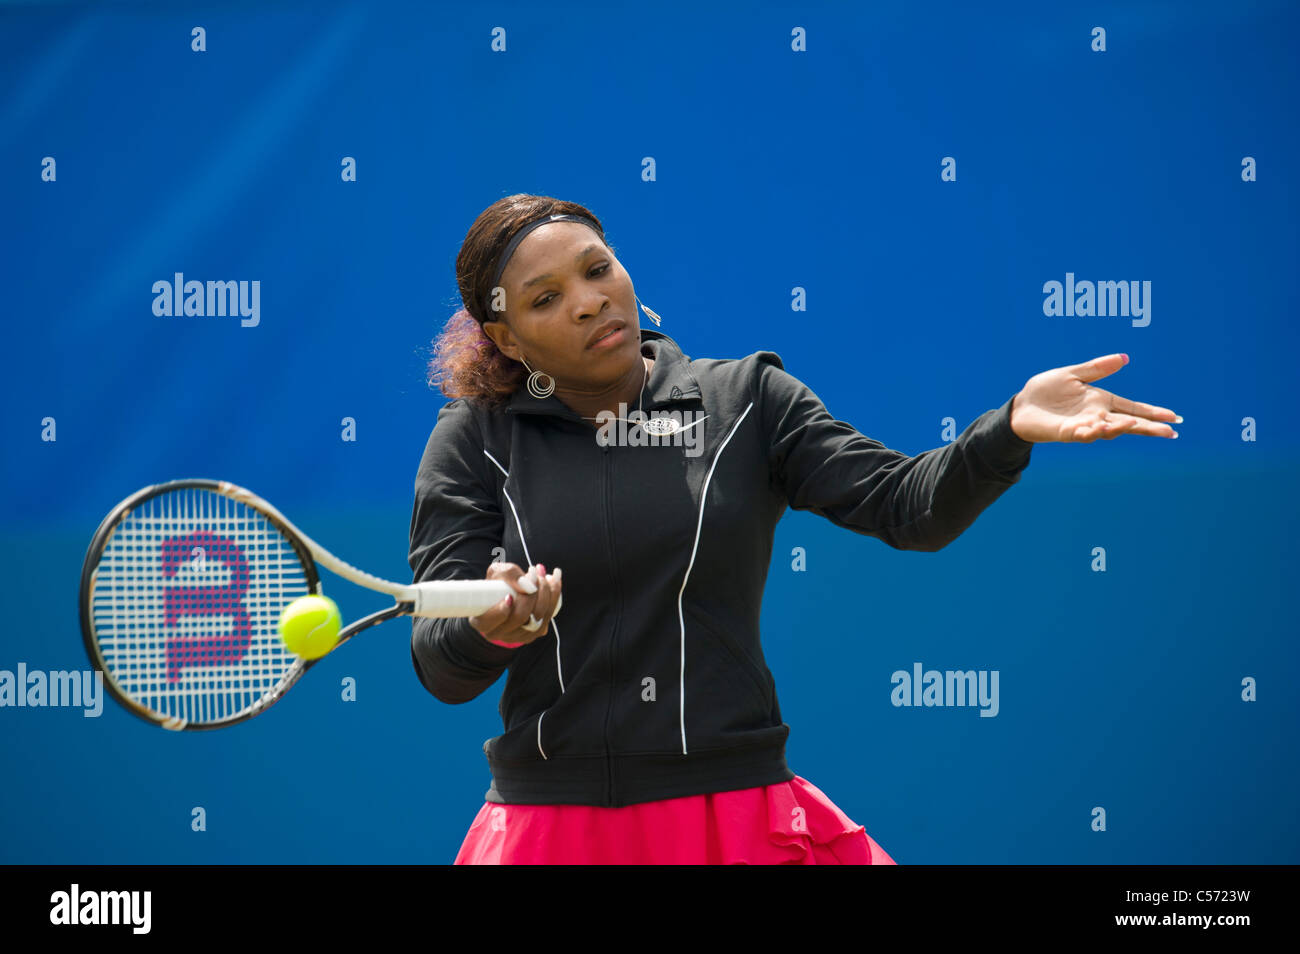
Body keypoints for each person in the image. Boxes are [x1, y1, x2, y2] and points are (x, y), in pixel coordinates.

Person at [408, 194, 1181, 865]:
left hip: (735, 815)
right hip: (552, 829)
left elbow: (905, 506)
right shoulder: (472, 440)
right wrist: (497, 626)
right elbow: (441, 665)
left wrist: (1007, 429)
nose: (587, 301)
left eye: (596, 268)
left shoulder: (747, 400)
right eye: (543, 299)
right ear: (506, 340)